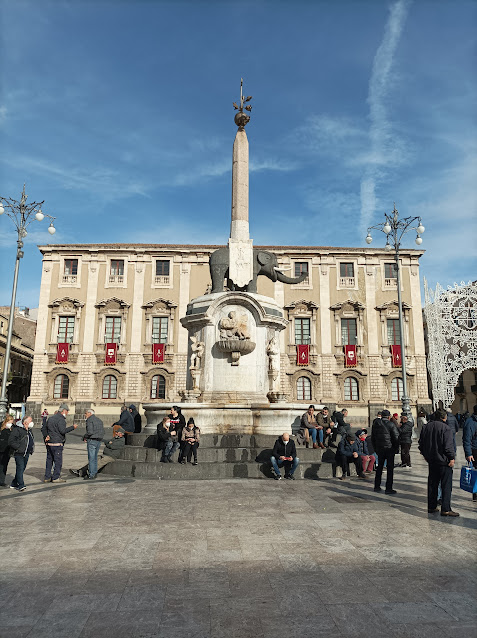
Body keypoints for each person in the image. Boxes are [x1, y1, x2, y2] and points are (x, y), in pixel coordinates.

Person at [419, 408, 459, 516]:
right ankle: (446, 508)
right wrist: (451, 458)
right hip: (443, 461)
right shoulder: (445, 428)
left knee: (433, 484)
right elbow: (448, 446)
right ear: (443, 417)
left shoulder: (426, 427)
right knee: (446, 485)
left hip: (432, 460)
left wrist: (425, 455)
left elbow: (421, 444)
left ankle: (432, 506)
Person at [43, 403, 78, 483]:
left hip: (49, 442)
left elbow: (44, 429)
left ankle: (47, 477)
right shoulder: (61, 419)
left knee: (49, 460)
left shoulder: (51, 418)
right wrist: (73, 427)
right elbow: (62, 431)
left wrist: (46, 436)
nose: (68, 413)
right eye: (67, 411)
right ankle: (56, 477)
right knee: (58, 461)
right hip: (57, 443)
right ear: (63, 411)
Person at [371, 409, 399, 494]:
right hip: (389, 449)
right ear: (389, 417)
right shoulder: (391, 424)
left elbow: (373, 438)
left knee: (379, 467)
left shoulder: (375, 425)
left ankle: (377, 486)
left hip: (380, 448)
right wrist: (396, 448)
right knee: (390, 469)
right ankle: (388, 488)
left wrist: (375, 448)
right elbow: (396, 437)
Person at [8, 416, 35, 492]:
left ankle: (14, 483)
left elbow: (30, 439)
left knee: (22, 469)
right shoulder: (17, 430)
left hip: (26, 452)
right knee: (20, 468)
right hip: (19, 453)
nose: (32, 422)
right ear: (25, 422)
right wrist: (19, 448)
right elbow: (11, 441)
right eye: (30, 421)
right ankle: (21, 485)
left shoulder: (29, 430)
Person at [82, 409, 104, 480]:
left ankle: (91, 474)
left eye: (86, 413)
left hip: (92, 440)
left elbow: (90, 432)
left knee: (91, 458)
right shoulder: (99, 420)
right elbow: (102, 431)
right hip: (99, 440)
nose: (85, 415)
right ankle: (94, 473)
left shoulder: (89, 420)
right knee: (94, 458)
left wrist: (85, 437)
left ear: (89, 413)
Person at [463, 404, 477, 503]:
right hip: (475, 451)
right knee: (475, 473)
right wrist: (468, 454)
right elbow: (467, 439)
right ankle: (476, 494)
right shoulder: (471, 422)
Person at [0, 415, 14, 487]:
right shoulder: (1, 427)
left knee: (4, 466)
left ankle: (2, 481)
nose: (10, 424)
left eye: (11, 423)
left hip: (7, 450)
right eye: (9, 422)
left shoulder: (12, 429)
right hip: (1, 449)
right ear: (6, 421)